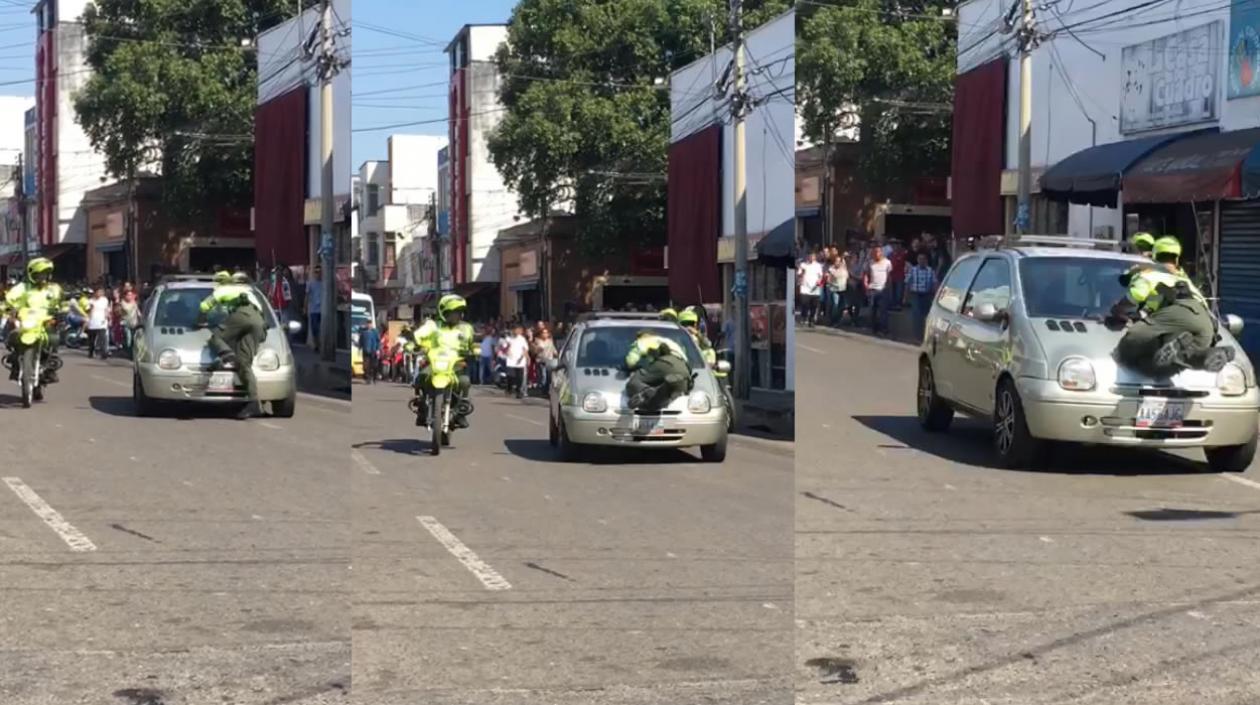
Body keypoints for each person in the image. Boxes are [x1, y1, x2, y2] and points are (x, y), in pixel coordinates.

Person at [1114, 237, 1232, 375]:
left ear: (1155, 256)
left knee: (1130, 344)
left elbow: (1136, 296)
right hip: (1207, 324)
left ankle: (1159, 361)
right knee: (1181, 352)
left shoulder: (1150, 274)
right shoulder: (1184, 279)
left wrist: (1116, 310)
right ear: (1176, 259)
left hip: (1177, 312)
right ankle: (1214, 354)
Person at [200, 272, 268, 419]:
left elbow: (204, 305)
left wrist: (200, 320)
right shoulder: (248, 291)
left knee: (216, 337)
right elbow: (262, 312)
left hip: (243, 315)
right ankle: (254, 402)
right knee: (244, 364)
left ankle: (226, 355)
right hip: (258, 321)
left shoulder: (223, 289)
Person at [413, 294, 476, 427]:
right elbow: (418, 336)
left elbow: (472, 345)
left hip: (455, 364)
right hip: (435, 362)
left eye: (459, 312)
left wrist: (473, 351)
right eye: (453, 312)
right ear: (444, 312)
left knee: (464, 381)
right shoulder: (433, 326)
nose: (457, 315)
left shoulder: (466, 328)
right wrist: (415, 344)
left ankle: (460, 413)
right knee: (421, 377)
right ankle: (421, 408)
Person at [4, 257, 66, 382]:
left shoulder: (54, 288)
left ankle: (50, 368)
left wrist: (61, 310)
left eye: (45, 274)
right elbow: (10, 298)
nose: (42, 277)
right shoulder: (23, 287)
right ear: (32, 274)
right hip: (26, 320)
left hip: (45, 321)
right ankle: (15, 361)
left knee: (53, 338)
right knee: (12, 334)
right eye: (39, 274)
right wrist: (10, 308)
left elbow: (62, 302)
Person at [624, 330, 692, 410]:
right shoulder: (669, 341)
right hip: (683, 370)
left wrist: (630, 367)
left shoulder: (642, 341)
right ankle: (666, 389)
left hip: (664, 364)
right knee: (672, 390)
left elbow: (630, 362)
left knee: (633, 383)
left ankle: (646, 392)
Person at [905, 251, 938, 340]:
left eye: (923, 259)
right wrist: (905, 297)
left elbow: (935, 284)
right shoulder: (913, 270)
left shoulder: (930, 271)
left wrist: (935, 296)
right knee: (917, 316)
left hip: (927, 295)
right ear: (917, 260)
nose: (921, 261)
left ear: (926, 260)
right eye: (919, 259)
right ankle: (917, 336)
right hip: (915, 295)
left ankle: (926, 335)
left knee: (927, 316)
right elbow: (908, 283)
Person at [865, 245, 893, 335]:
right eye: (874, 252)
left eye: (878, 252)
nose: (876, 254)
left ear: (881, 253)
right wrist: (866, 285)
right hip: (872, 289)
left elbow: (889, 277)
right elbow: (866, 274)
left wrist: (889, 289)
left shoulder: (887, 263)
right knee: (872, 311)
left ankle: (884, 329)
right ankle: (874, 329)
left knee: (883, 311)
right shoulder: (870, 263)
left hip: (883, 289)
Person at [798, 252, 824, 327]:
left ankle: (811, 320)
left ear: (815, 258)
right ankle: (804, 317)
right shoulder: (803, 265)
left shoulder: (818, 265)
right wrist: (801, 273)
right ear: (807, 257)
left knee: (814, 305)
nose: (811, 258)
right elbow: (799, 274)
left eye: (812, 257)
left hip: (814, 288)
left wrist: (819, 281)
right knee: (804, 304)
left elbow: (820, 276)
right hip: (805, 288)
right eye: (810, 257)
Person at [503, 325, 529, 399]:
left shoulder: (522, 339)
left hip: (520, 361)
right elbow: (504, 348)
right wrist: (507, 349)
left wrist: (526, 357)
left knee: (519, 377)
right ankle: (509, 388)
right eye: (515, 330)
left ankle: (518, 391)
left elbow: (525, 349)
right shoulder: (508, 339)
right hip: (511, 360)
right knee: (510, 376)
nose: (517, 331)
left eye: (519, 330)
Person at [86, 287, 111, 359]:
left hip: (102, 321)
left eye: (101, 292)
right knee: (92, 339)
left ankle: (104, 353)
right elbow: (90, 311)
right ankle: (91, 352)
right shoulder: (91, 301)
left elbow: (106, 310)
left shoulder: (104, 300)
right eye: (98, 292)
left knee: (103, 338)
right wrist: (88, 320)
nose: (100, 293)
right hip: (93, 322)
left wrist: (107, 318)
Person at [826, 254, 849, 327]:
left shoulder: (844, 269)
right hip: (834, 289)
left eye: (839, 261)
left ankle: (838, 321)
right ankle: (833, 320)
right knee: (835, 305)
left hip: (843, 289)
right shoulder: (831, 269)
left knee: (841, 306)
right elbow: (828, 279)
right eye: (836, 261)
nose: (838, 263)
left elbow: (847, 277)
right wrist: (830, 282)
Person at [358, 319, 382, 384]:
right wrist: (359, 348)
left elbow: (378, 341)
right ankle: (368, 378)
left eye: (370, 324)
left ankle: (374, 378)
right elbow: (360, 340)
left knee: (374, 365)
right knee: (366, 366)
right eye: (368, 324)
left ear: (371, 324)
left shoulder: (375, 332)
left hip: (373, 350)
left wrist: (378, 349)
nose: (369, 325)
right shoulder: (363, 332)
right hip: (365, 350)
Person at [305, 265, 323, 352]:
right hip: (313, 309)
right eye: (316, 272)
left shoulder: (324, 283)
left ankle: (320, 345)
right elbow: (307, 296)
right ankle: (317, 344)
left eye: (319, 272)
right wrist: (305, 307)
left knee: (321, 328)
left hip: (323, 310)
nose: (318, 274)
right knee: (315, 328)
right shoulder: (310, 283)